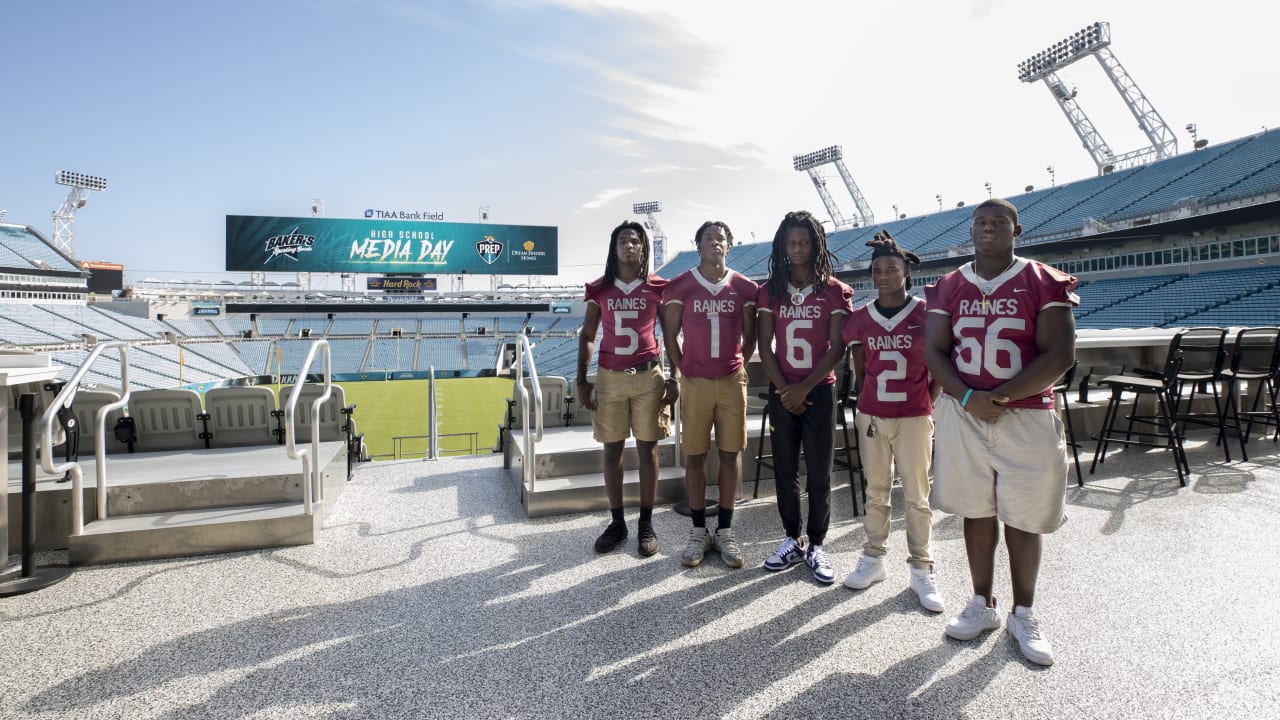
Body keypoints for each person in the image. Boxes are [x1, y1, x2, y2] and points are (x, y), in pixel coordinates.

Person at [924, 198, 1078, 666]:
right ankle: (981, 602)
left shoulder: (1042, 280)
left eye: (998, 222)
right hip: (965, 413)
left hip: (1026, 414)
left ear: (1017, 229)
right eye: (980, 222)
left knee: (1026, 518)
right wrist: (971, 398)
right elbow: (934, 351)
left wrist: (1003, 397)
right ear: (970, 230)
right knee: (976, 509)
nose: (988, 228)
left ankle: (1024, 612)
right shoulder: (950, 285)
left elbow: (1060, 354)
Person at [841, 231, 944, 611]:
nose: (883, 275)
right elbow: (862, 368)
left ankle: (921, 567)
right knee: (876, 490)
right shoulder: (861, 318)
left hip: (914, 416)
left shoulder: (925, 315)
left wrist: (923, 405)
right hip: (873, 414)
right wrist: (870, 405)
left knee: (918, 495)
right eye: (878, 270)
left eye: (891, 268)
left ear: (906, 273)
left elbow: (937, 368)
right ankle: (874, 558)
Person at [755, 210, 852, 584]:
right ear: (782, 245)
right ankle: (791, 538)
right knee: (784, 468)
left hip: (818, 390)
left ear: (816, 245)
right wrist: (785, 390)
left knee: (819, 471)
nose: (797, 248)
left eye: (804, 242)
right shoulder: (770, 290)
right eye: (791, 242)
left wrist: (803, 389)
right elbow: (765, 346)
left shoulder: (833, 290)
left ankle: (816, 543)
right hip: (784, 391)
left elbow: (836, 348)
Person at [661, 220, 758, 568]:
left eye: (720, 238)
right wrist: (683, 368)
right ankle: (699, 529)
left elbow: (752, 337)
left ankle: (726, 530)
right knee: (696, 455)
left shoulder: (744, 287)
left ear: (729, 245)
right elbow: (669, 335)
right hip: (696, 381)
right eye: (708, 238)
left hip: (732, 380)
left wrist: (737, 365)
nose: (714, 243)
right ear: (698, 245)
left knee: (731, 454)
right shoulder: (681, 285)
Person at [577, 221, 675, 557]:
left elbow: (670, 334)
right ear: (613, 247)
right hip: (610, 375)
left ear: (644, 248)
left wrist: (674, 375)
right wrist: (581, 378)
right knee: (612, 450)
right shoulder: (599, 288)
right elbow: (588, 335)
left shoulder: (658, 287)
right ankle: (617, 521)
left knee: (648, 450)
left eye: (635, 240)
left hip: (649, 375)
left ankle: (646, 522)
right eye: (623, 240)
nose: (629, 245)